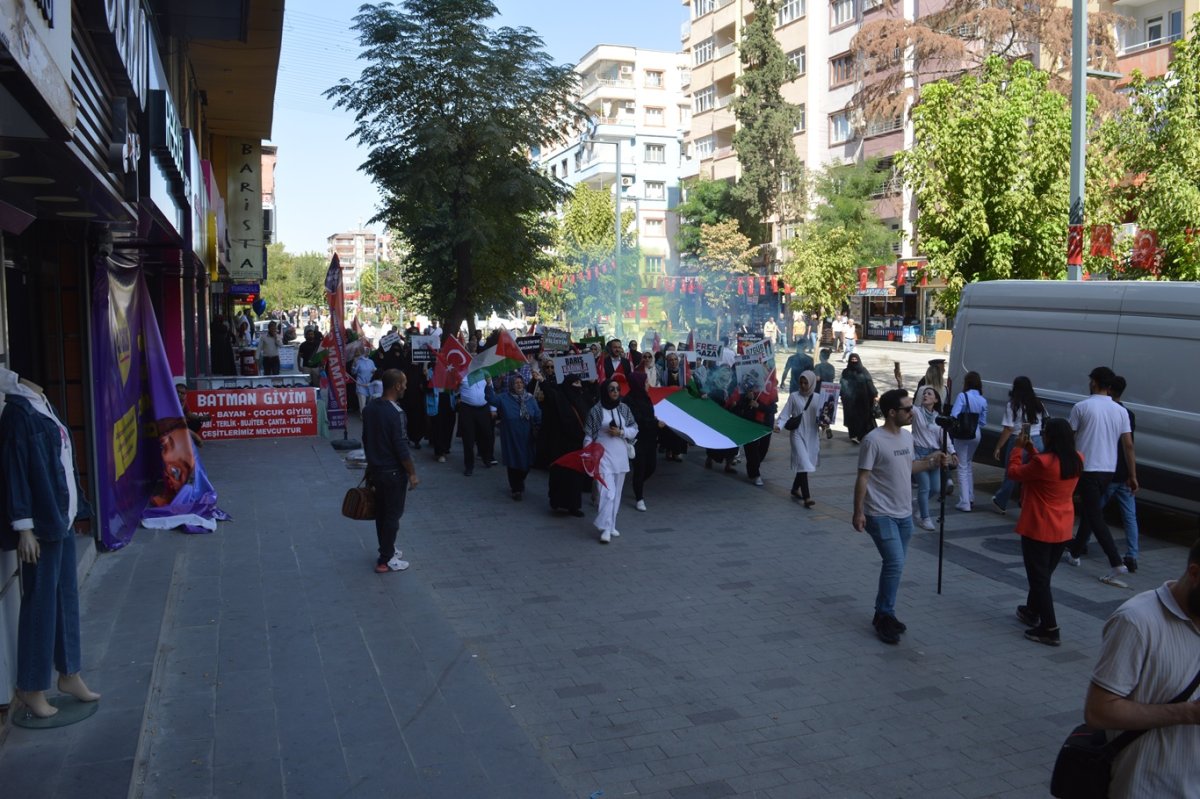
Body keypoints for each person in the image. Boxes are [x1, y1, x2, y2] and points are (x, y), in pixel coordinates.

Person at [0, 368, 100, 718]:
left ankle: (69, 673)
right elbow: (14, 472)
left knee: (65, 598)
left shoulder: (41, 403)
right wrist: (24, 527)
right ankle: (31, 686)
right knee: (40, 604)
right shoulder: (18, 413)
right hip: (42, 524)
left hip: (62, 516)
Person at [1082, 538, 1200, 798]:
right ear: (1195, 574)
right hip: (1145, 789)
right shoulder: (1136, 621)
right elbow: (1099, 711)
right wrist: (1187, 713)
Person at [852, 389, 951, 644]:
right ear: (891, 413)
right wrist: (858, 511)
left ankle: (884, 612)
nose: (912, 413)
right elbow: (863, 477)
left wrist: (932, 461)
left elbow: (909, 467)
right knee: (894, 563)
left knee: (894, 566)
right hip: (880, 514)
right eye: (907, 409)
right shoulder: (873, 440)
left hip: (904, 514)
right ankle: (884, 616)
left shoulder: (907, 438)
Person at [1006, 418, 1083, 646]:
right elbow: (1046, 466)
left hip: (1039, 525)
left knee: (1039, 578)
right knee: (1044, 573)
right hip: (1063, 525)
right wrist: (1031, 449)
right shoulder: (1077, 459)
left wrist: (1018, 449)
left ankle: (1050, 628)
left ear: (1050, 437)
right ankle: (1032, 610)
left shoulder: (1044, 463)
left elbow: (1014, 472)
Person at [1065, 366, 1137, 586]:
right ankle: (1075, 552)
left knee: (1094, 515)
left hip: (1087, 467)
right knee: (1091, 511)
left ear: (1094, 382)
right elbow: (1128, 445)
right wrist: (1133, 474)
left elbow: (1069, 437)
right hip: (1108, 469)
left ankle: (1116, 562)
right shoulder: (1121, 411)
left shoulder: (1082, 407)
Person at [360, 369, 419, 573]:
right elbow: (401, 446)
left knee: (382, 513)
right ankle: (386, 559)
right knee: (393, 515)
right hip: (393, 472)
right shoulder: (397, 413)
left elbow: (366, 439)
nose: (406, 387)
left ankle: (387, 548)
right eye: (404, 383)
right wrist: (412, 473)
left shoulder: (369, 408)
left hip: (376, 470)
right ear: (397, 386)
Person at [582, 380, 638, 544]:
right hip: (602, 456)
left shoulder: (624, 408)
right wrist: (588, 452)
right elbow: (588, 434)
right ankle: (605, 528)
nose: (615, 391)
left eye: (617, 389)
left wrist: (621, 432)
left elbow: (634, 429)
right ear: (604, 391)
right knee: (608, 493)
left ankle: (612, 524)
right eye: (611, 389)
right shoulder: (596, 410)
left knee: (617, 493)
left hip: (620, 456)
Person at [990, 376, 1047, 514]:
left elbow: (1008, 428)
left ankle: (1001, 501)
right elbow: (1045, 420)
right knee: (1031, 474)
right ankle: (1026, 501)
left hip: (1019, 440)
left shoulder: (1013, 405)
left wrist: (998, 446)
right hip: (1037, 441)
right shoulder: (1038, 403)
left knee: (1012, 472)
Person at [1102, 376, 1141, 574]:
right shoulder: (1128, 414)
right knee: (1129, 516)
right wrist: (1132, 474)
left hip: (1109, 469)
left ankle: (1080, 544)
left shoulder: (1106, 411)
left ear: (1108, 388)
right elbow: (1129, 446)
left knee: (1094, 511)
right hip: (1124, 472)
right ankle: (1132, 555)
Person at [545, 375, 591, 517]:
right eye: (575, 383)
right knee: (560, 474)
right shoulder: (559, 400)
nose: (579, 386)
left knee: (575, 477)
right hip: (561, 445)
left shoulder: (581, 399)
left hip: (577, 445)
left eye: (579, 382)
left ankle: (573, 506)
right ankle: (557, 501)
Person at [493, 373, 541, 500]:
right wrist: (488, 385)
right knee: (513, 461)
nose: (519, 385)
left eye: (521, 382)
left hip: (527, 435)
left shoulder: (530, 398)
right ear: (511, 385)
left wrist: (539, 425)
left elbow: (537, 414)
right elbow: (491, 399)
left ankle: (520, 481)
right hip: (511, 435)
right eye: (516, 383)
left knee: (527, 462)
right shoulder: (504, 398)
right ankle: (516, 489)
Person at [776, 370, 821, 506]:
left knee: (804, 463)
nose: (803, 385)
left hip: (812, 435)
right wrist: (779, 426)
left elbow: (823, 417)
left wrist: (825, 423)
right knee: (803, 462)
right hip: (797, 433)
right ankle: (807, 497)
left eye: (806, 383)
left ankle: (795, 488)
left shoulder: (818, 398)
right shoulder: (794, 396)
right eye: (801, 382)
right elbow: (785, 414)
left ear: (811, 383)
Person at [949, 370, 987, 513]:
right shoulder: (983, 400)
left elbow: (954, 414)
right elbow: (983, 422)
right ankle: (970, 496)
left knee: (962, 466)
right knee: (968, 463)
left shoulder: (962, 396)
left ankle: (964, 501)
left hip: (963, 434)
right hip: (976, 433)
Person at [910, 386, 945, 531]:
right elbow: (907, 407)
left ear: (936, 399)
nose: (925, 395)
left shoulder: (939, 417)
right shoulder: (917, 411)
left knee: (935, 488)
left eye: (929, 394)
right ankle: (925, 518)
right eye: (924, 393)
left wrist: (953, 452)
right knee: (924, 487)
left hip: (934, 455)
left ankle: (917, 503)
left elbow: (944, 437)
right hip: (919, 454)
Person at [732, 372, 776, 487]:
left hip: (766, 423)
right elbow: (738, 404)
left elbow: (773, 409)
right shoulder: (746, 382)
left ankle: (754, 465)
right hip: (750, 422)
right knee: (752, 449)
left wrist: (759, 406)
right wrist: (747, 398)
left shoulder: (771, 388)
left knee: (763, 449)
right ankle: (755, 473)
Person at [624, 372, 659, 511]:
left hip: (650, 439)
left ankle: (637, 484)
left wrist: (655, 422)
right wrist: (655, 423)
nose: (648, 385)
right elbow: (637, 420)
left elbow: (649, 415)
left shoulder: (646, 397)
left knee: (651, 467)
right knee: (640, 468)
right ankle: (639, 498)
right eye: (645, 382)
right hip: (637, 440)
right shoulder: (628, 401)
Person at [457, 371, 497, 477]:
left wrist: (493, 409)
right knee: (468, 438)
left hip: (483, 409)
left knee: (486, 435)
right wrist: (456, 386)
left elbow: (491, 390)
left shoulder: (485, 372)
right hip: (467, 409)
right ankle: (469, 466)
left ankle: (486, 458)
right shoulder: (461, 374)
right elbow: (454, 391)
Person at [657, 352, 689, 461]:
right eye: (670, 360)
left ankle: (677, 452)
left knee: (680, 428)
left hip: (681, 405)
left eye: (675, 359)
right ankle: (669, 450)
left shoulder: (684, 374)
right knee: (669, 430)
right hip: (669, 404)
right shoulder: (663, 374)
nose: (673, 362)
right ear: (667, 362)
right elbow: (660, 388)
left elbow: (690, 386)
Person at [839, 353, 877, 444]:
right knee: (852, 418)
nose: (854, 362)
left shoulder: (863, 371)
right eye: (852, 360)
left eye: (856, 360)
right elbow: (842, 384)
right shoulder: (845, 372)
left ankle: (861, 436)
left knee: (863, 418)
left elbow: (869, 383)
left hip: (863, 400)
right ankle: (854, 435)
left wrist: (874, 394)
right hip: (850, 401)